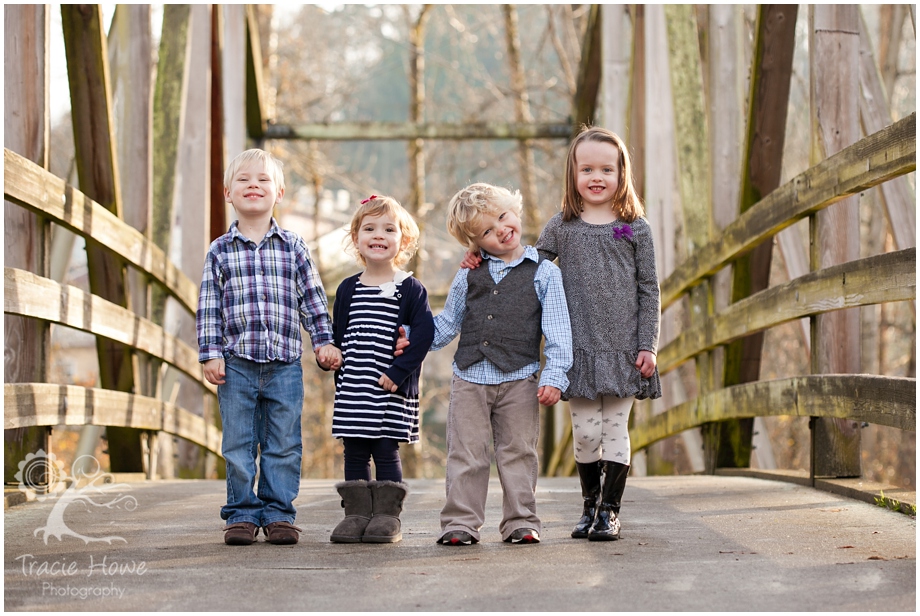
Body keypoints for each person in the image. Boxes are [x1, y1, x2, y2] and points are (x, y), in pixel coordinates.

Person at [461, 127, 662, 541]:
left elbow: (649, 287)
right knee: (587, 432)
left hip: (623, 348)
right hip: (578, 348)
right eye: (587, 168)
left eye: (607, 169)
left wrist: (648, 344)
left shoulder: (634, 228)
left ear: (622, 173)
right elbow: (525, 264)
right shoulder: (562, 226)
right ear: (573, 173)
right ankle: (588, 506)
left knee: (615, 430)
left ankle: (610, 510)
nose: (597, 177)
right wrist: (480, 255)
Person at [197, 148, 342, 546]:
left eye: (263, 180)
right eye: (243, 180)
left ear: (279, 192)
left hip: (284, 365)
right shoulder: (219, 251)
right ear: (228, 192)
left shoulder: (294, 247)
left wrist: (324, 341)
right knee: (238, 443)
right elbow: (209, 304)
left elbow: (311, 298)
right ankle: (241, 514)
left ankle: (279, 513)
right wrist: (209, 352)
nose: (253, 186)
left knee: (283, 442)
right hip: (236, 363)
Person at [431, 183, 572, 546]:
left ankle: (521, 521)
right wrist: (413, 339)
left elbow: (558, 330)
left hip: (520, 379)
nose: (501, 230)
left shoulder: (544, 272)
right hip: (469, 378)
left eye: (503, 217)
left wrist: (555, 376)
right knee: (466, 453)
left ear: (515, 210)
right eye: (487, 232)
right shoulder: (468, 273)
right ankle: (460, 523)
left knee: (518, 452)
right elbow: (448, 323)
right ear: (475, 244)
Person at [325, 195, 434, 544]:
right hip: (355, 388)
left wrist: (399, 371)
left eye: (389, 229)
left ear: (403, 240)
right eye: (369, 228)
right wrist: (331, 358)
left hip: (389, 388)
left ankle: (387, 516)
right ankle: (356, 514)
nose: (379, 235)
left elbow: (422, 336)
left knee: (385, 449)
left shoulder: (410, 289)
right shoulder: (347, 289)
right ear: (356, 237)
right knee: (354, 450)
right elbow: (337, 335)